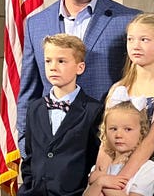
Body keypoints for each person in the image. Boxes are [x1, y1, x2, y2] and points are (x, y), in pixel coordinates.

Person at [17, 0, 141, 156]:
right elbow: (30, 92)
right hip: (53, 155)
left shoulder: (129, 21)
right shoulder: (36, 24)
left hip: (110, 151)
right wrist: (26, 148)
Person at [90, 13, 154, 195]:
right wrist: (100, 175)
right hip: (115, 164)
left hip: (151, 167)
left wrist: (120, 181)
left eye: (144, 39)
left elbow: (151, 141)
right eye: (131, 39)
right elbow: (107, 138)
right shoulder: (118, 89)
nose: (136, 45)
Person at [19, 34, 102, 196]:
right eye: (48, 61)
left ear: (80, 67)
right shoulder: (34, 108)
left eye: (61, 61)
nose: (53, 67)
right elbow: (30, 156)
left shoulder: (94, 110)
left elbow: (95, 157)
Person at [84, 92, 154, 196]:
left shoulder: (146, 168)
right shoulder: (99, 168)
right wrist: (99, 182)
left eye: (127, 129)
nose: (119, 135)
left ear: (142, 132)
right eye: (113, 129)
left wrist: (101, 182)